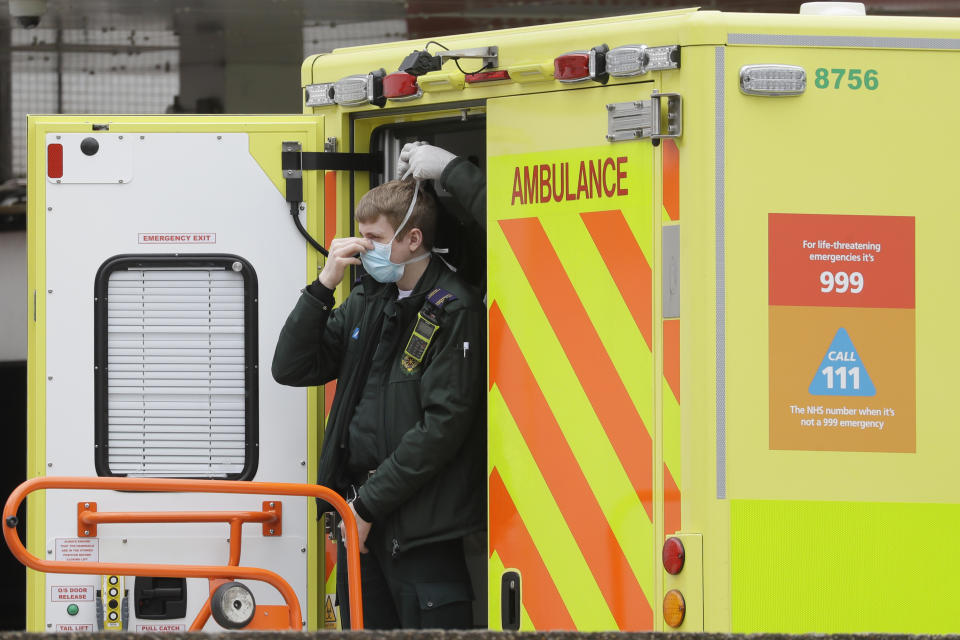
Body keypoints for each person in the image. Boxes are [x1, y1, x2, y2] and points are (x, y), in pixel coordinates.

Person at [271, 143, 485, 629]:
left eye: (373, 238)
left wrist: (366, 506)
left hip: (419, 537)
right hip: (360, 526)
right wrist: (324, 284)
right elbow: (291, 366)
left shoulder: (455, 308)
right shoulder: (370, 301)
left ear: (412, 239)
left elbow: (441, 428)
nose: (362, 248)